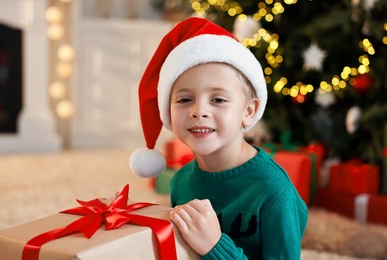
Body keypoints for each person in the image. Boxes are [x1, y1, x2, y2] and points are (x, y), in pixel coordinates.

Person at [129, 17, 308, 259]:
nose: (199, 111)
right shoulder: (180, 182)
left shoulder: (273, 191)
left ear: (249, 111)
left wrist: (215, 247)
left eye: (218, 100)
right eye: (184, 100)